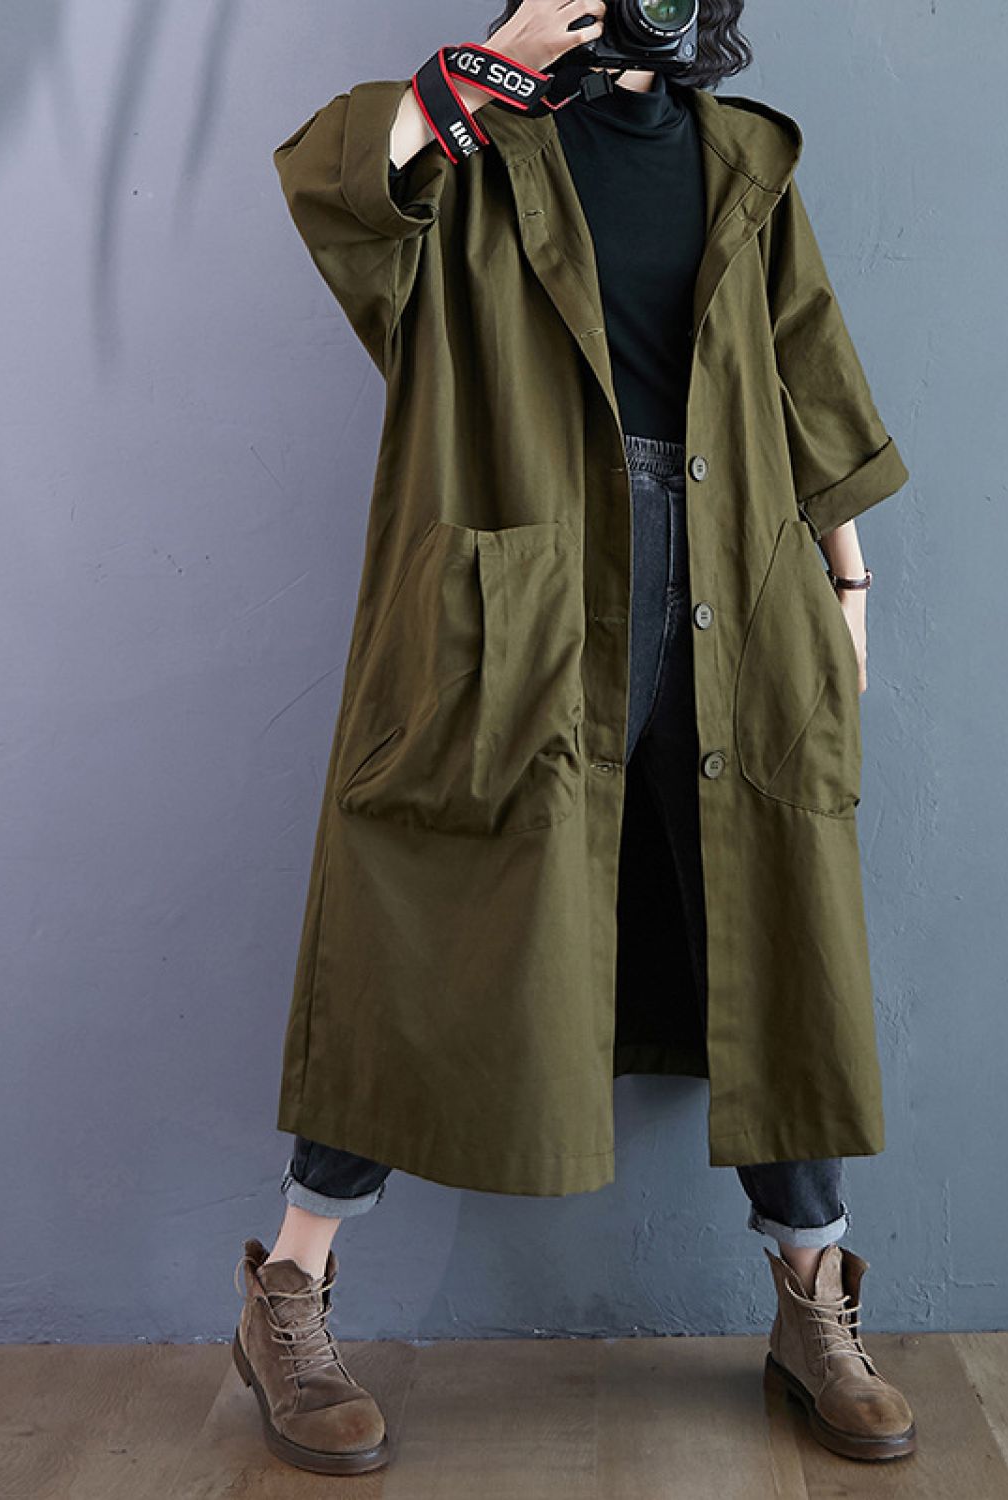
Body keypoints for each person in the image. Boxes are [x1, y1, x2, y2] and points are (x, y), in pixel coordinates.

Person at [234, 0, 916, 1475]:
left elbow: (809, 374)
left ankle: (813, 1301)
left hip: (738, 581)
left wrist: (850, 581)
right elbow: (338, 184)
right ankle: (290, 1288)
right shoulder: (479, 147)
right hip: (527, 595)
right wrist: (503, 61)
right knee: (426, 909)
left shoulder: (742, 158)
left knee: (773, 912)